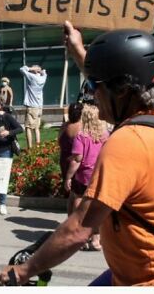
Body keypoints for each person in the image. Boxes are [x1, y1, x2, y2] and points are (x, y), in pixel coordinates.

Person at [0, 20, 154, 286]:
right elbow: (117, 84)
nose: (90, 95)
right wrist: (78, 50)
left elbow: (79, 229)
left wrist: (23, 271)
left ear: (123, 91)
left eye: (95, 86)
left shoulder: (129, 143)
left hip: (148, 281)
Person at [66, 103, 108, 251]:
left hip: (83, 176)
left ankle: (79, 238)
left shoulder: (81, 136)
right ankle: (96, 239)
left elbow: (77, 159)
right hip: (99, 175)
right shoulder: (105, 135)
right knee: (96, 208)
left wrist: (68, 177)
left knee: (78, 203)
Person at [57, 102, 84, 198]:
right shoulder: (83, 127)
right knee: (77, 189)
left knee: (67, 185)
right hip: (77, 161)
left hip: (64, 159)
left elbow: (59, 141)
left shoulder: (64, 126)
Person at [20, 65, 47, 148]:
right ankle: (38, 147)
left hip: (32, 107)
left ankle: (30, 148)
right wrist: (41, 70)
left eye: (33, 67)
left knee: (28, 127)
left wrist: (31, 69)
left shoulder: (32, 77)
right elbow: (44, 73)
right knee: (36, 128)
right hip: (39, 107)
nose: (31, 69)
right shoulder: (43, 78)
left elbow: (22, 69)